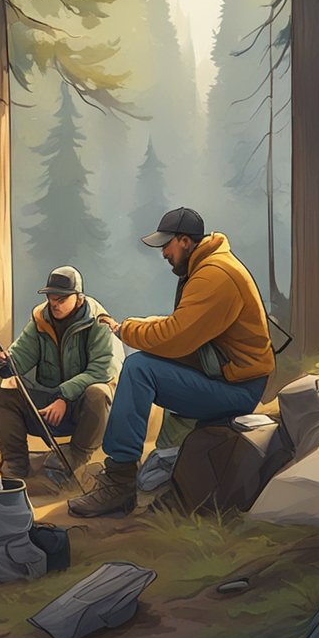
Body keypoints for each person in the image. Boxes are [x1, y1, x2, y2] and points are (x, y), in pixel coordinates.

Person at [68, 207, 274, 517]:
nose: (164, 252)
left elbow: (176, 336)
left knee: (139, 369)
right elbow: (182, 325)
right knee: (147, 363)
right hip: (225, 375)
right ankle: (138, 474)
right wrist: (131, 326)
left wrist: (126, 329)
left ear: (185, 241)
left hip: (236, 388)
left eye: (167, 244)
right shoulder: (210, 266)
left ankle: (120, 481)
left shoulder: (215, 275)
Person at [0, 266, 121, 487]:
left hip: (82, 407)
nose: (54, 303)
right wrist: (5, 362)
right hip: (49, 403)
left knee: (98, 392)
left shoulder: (99, 322)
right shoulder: (41, 319)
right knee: (3, 396)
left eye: (61, 298)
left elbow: (103, 370)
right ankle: (16, 464)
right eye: (51, 297)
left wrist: (64, 396)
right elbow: (21, 355)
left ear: (78, 298)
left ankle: (75, 457)